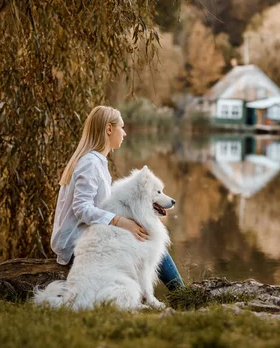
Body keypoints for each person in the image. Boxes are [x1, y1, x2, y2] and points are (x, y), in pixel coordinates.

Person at [50, 105, 184, 291]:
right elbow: (81, 208)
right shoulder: (90, 164)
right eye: (122, 127)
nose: (125, 133)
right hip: (77, 243)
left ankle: (178, 293)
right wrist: (120, 221)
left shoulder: (96, 161)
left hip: (91, 235)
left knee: (146, 233)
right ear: (109, 129)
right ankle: (180, 293)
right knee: (146, 238)